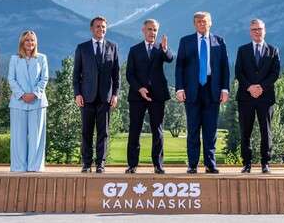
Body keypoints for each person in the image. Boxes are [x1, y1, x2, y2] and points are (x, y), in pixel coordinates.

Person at [175, 11, 230, 174]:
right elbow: (179, 67)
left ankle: (210, 164)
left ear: (210, 23)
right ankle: (192, 164)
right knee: (193, 129)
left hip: (212, 90)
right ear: (194, 24)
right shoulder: (186, 41)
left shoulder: (219, 41)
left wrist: (225, 89)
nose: (201, 24)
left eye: (204, 21)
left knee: (210, 130)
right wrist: (179, 88)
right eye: (198, 21)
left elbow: (224, 67)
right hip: (192, 90)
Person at [125, 19, 174, 174]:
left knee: (158, 131)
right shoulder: (134, 50)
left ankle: (158, 165)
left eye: (155, 30)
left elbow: (170, 58)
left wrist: (165, 49)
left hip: (157, 96)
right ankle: (132, 165)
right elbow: (129, 74)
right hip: (137, 96)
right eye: (149, 29)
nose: (152, 33)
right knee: (134, 130)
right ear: (143, 30)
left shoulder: (161, 50)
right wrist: (139, 89)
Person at [73, 16, 120, 173]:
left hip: (105, 98)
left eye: (104, 27)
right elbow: (76, 74)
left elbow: (116, 74)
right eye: (98, 26)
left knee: (103, 132)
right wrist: (77, 93)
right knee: (86, 132)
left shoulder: (113, 47)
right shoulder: (82, 48)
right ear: (92, 29)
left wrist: (115, 94)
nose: (101, 29)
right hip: (86, 97)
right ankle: (86, 163)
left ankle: (101, 163)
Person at [235, 19, 280, 174]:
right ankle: (246, 163)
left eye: (259, 29)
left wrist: (261, 87)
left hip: (265, 97)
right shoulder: (242, 50)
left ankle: (265, 163)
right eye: (254, 29)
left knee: (266, 131)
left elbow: (275, 73)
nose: (257, 32)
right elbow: (238, 72)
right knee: (245, 131)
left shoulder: (273, 50)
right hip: (246, 97)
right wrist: (250, 87)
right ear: (250, 32)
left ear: (264, 30)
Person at [8, 30, 49, 172]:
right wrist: (22, 95)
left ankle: (35, 166)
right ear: (22, 42)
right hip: (18, 102)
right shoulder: (14, 59)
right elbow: (11, 79)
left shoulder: (42, 58)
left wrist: (34, 94)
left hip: (37, 102)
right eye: (27, 40)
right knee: (18, 137)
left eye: (32, 40)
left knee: (36, 136)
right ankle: (18, 166)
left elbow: (44, 78)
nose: (30, 43)